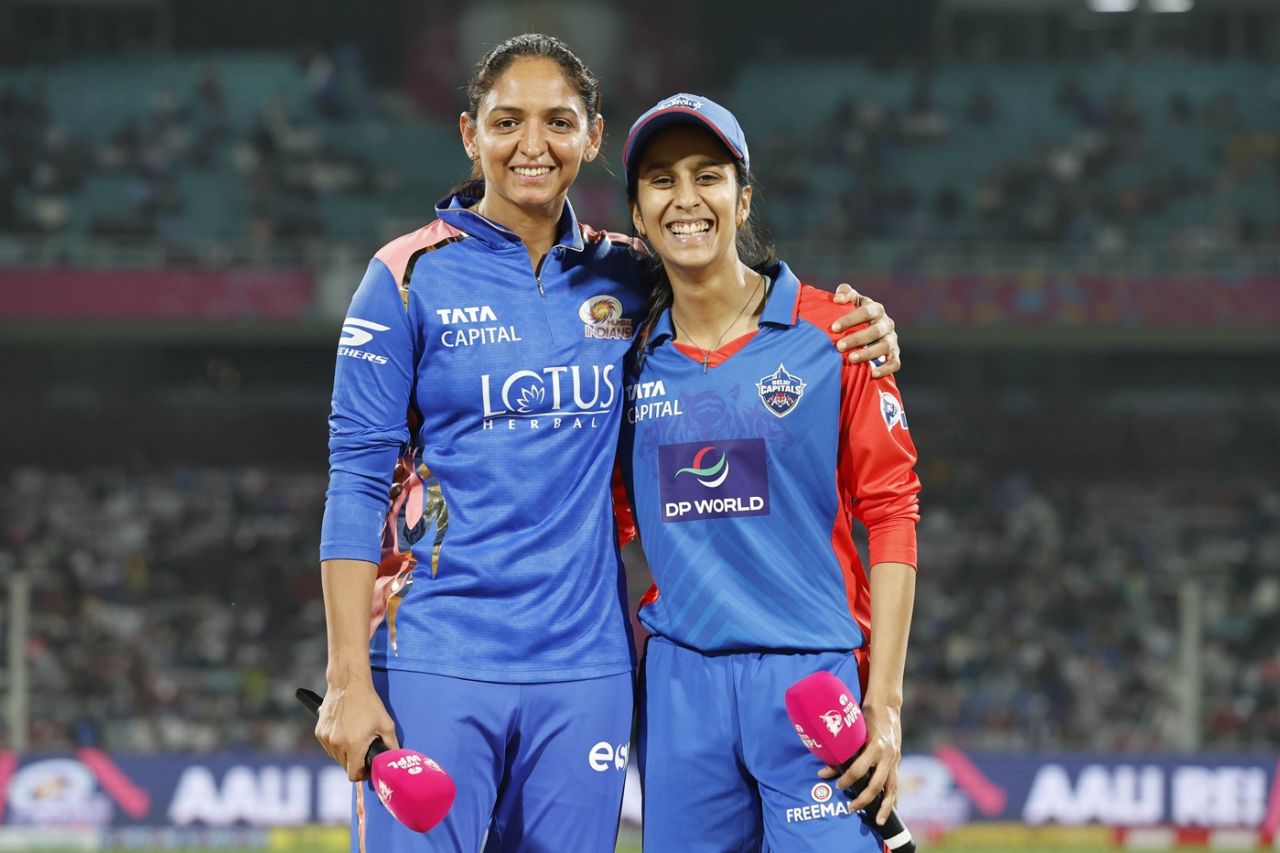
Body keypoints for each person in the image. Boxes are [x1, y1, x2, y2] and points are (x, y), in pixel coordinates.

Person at [314, 35, 903, 853]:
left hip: (586, 671)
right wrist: (345, 673)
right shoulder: (405, 277)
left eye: (558, 122)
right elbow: (355, 478)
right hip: (437, 654)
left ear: (591, 138)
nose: (532, 144)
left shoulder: (628, 275)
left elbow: (735, 297)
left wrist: (858, 326)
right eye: (506, 121)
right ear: (467, 134)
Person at [618, 94, 921, 851]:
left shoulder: (836, 333)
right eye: (661, 180)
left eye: (707, 175)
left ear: (742, 196)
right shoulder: (623, 359)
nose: (686, 198)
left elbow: (891, 512)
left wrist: (882, 701)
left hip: (813, 683)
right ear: (637, 212)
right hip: (682, 687)